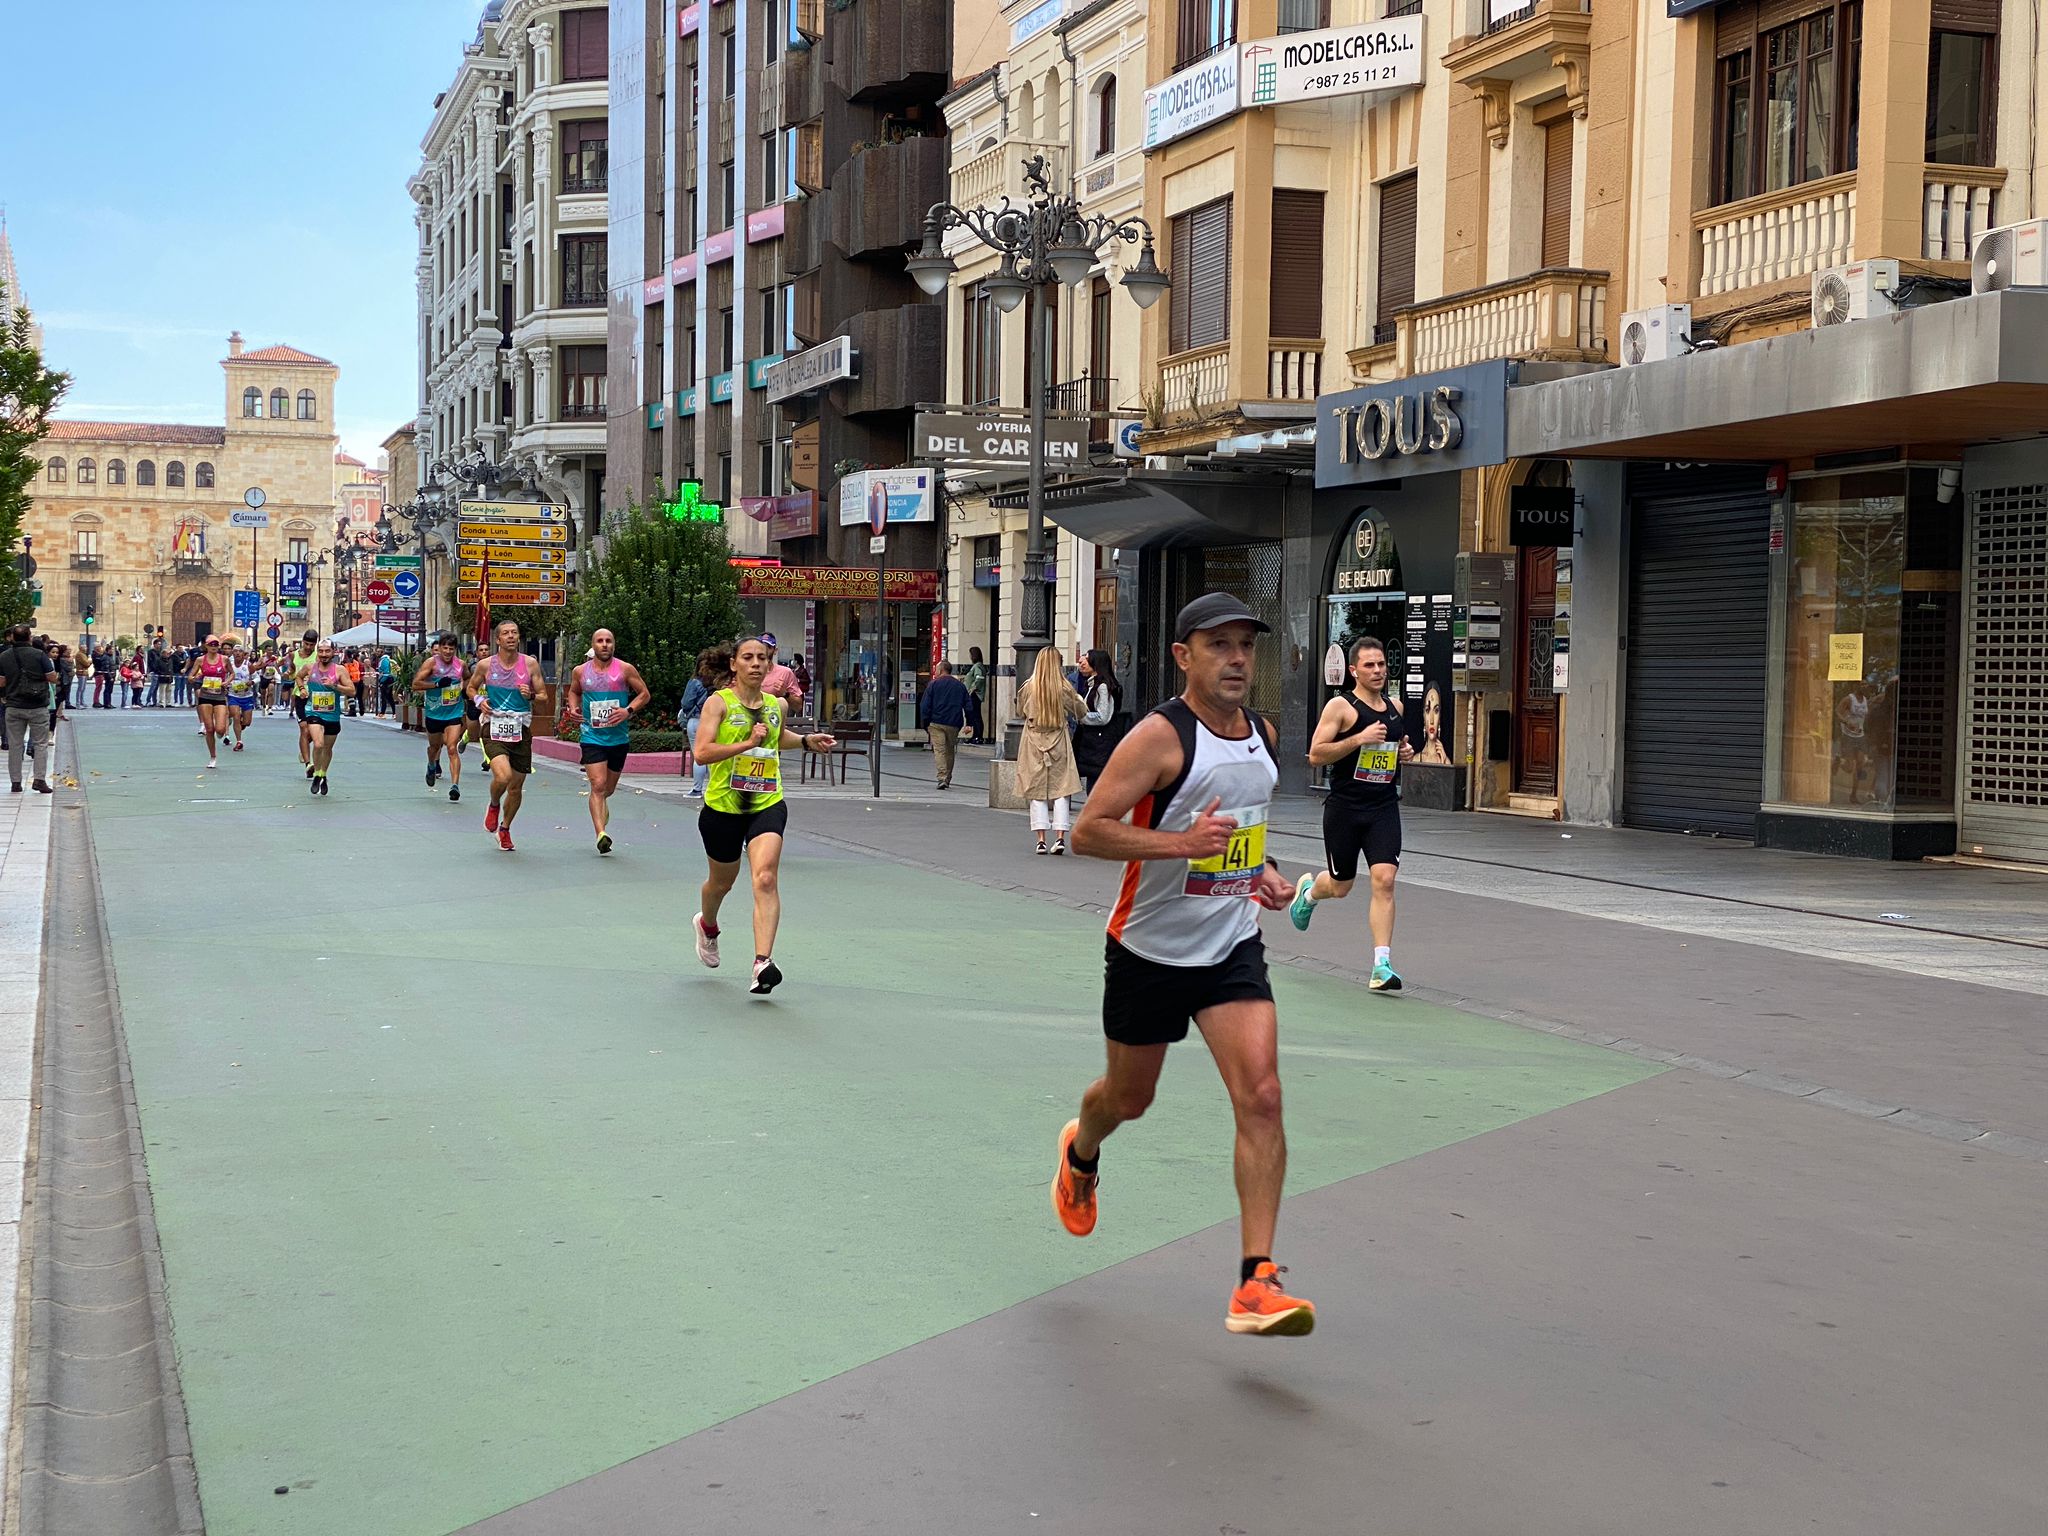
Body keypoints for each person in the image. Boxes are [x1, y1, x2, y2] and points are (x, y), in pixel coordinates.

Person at [1053, 593, 1313, 1337]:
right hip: (1148, 950)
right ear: (1183, 656)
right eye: (1219, 645)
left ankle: (1255, 1281)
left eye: (1245, 646)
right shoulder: (1160, 738)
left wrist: (1255, 871)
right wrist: (1180, 847)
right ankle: (1082, 1148)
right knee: (1128, 1100)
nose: (1236, 659)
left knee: (1262, 1095)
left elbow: (1238, 834)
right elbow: (1090, 834)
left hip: (1229, 946)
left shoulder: (1261, 734)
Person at [690, 636, 836, 994]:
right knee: (721, 884)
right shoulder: (718, 703)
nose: (756, 663)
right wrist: (746, 743)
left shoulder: (776, 705)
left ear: (770, 666)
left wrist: (804, 741)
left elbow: (774, 737)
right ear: (734, 665)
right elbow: (702, 752)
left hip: (767, 801)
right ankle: (707, 924)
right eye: (748, 658)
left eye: (763, 658)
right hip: (723, 806)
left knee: (766, 878)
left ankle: (762, 963)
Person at [1289, 635, 1415, 992]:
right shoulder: (1341, 708)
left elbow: (1393, 747)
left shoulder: (1396, 708)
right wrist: (1358, 739)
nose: (1378, 671)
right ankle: (1311, 893)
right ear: (1354, 670)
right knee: (1341, 886)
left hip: (1383, 807)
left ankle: (1382, 965)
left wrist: (1403, 752)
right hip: (1345, 809)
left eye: (1381, 664)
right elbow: (1316, 754)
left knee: (1384, 880)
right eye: (1369, 665)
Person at [563, 628, 652, 854]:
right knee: (598, 785)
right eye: (600, 641)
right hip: (591, 735)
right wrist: (572, 707)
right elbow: (573, 692)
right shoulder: (581, 671)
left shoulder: (624, 669)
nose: (604, 645)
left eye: (608, 641)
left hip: (618, 738)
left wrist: (627, 711)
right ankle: (601, 834)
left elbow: (644, 694)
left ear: (614, 645)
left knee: (608, 789)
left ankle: (602, 805)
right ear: (593, 646)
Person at [470, 620, 548, 852]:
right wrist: (479, 700)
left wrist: (531, 695)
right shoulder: (486, 665)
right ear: (498, 640)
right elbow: (471, 688)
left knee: (515, 788)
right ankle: (494, 805)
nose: (511, 636)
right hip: (493, 725)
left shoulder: (530, 664)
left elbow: (544, 696)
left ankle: (504, 829)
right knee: (502, 777)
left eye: (514, 633)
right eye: (506, 633)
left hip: (520, 727)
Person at [1016, 648, 1084, 854]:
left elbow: (1021, 711)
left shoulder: (1028, 687)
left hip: (1033, 741)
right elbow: (1081, 711)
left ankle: (1041, 840)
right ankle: (1061, 837)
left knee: (1037, 789)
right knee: (1062, 788)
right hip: (1059, 740)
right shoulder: (1063, 688)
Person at [412, 634, 470, 802]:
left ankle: (455, 786)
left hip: (454, 712)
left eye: (451, 649)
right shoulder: (431, 663)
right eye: (445, 648)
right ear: (440, 648)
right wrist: (436, 684)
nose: (448, 652)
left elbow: (467, 678)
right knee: (434, 747)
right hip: (434, 712)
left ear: (455, 650)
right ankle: (431, 765)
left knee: (452, 747)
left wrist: (464, 690)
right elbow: (416, 684)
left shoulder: (461, 665)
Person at [2, 626, 57, 794]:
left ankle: (16, 783)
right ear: (29, 638)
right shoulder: (39, 655)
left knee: (15, 745)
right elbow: (52, 678)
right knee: (40, 744)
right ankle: (39, 780)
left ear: (12, 638)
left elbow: (1, 682)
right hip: (37, 705)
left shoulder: (3, 656)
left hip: (13, 705)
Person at [301, 639, 352, 794]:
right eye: (321, 651)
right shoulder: (310, 668)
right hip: (313, 712)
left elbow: (352, 690)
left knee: (327, 748)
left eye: (327, 651)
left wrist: (334, 686)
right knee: (318, 744)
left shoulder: (340, 670)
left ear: (333, 652)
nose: (323, 655)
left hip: (332, 714)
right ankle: (317, 774)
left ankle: (323, 774)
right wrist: (302, 688)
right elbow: (298, 676)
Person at [679, 646, 730, 798]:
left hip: (696, 720)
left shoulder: (695, 682)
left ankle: (697, 789)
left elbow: (686, 703)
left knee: (699, 755)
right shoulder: (719, 682)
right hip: (717, 720)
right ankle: (715, 787)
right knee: (715, 754)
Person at [1072, 649, 1125, 791]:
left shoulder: (1102, 687)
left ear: (1096, 663)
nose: (1082, 661)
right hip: (1094, 744)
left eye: (1087, 659)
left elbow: (1103, 716)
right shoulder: (1092, 684)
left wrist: (1081, 717)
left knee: (1095, 783)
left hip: (1099, 744)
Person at [919, 660, 969, 789]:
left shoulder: (933, 685)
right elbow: (968, 706)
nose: (935, 671)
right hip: (953, 723)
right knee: (949, 750)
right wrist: (970, 723)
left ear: (941, 670)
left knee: (940, 750)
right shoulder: (960, 686)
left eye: (936, 669)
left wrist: (925, 723)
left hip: (935, 723)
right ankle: (947, 777)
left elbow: (925, 706)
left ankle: (942, 778)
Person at [185, 636, 234, 768]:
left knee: (220, 729)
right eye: (211, 644)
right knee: (210, 729)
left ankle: (223, 726)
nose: (214, 646)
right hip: (205, 695)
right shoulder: (200, 660)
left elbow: (232, 673)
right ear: (206, 646)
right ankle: (213, 757)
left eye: (216, 644)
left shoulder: (224, 659)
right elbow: (190, 676)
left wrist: (226, 682)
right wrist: (196, 677)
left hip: (219, 696)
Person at [288, 629, 320, 777]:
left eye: (311, 645)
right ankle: (309, 764)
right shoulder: (294, 655)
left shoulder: (319, 656)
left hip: (316, 697)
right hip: (300, 696)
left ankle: (304, 749)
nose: (308, 647)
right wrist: (289, 675)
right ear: (302, 642)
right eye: (306, 644)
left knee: (315, 732)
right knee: (304, 729)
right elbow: (292, 671)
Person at [759, 634, 805, 715]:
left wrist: (785, 694)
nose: (764, 651)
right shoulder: (746, 672)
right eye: (760, 647)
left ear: (775, 650)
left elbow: (798, 706)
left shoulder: (785, 672)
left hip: (777, 723)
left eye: (768, 647)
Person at [224, 641, 259, 751]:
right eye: (235, 651)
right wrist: (226, 684)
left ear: (244, 654)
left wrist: (252, 682)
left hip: (247, 696)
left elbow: (257, 677)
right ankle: (239, 741)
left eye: (240, 651)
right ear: (232, 653)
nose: (238, 653)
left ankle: (241, 726)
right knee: (236, 716)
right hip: (233, 695)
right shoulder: (229, 664)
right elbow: (224, 677)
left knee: (247, 722)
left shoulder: (248, 665)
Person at [963, 646, 989, 744]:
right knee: (975, 715)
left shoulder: (977, 666)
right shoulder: (978, 666)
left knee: (976, 715)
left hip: (975, 695)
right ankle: (975, 735)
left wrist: (972, 689)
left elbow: (979, 679)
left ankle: (978, 736)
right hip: (975, 694)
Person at [91, 644, 116, 709]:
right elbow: (106, 667)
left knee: (109, 690)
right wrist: (110, 676)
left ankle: (108, 703)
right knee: (106, 690)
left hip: (109, 674)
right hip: (104, 674)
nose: (112, 651)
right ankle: (106, 703)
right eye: (111, 649)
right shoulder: (105, 657)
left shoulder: (108, 657)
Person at [376, 650, 396, 716]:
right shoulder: (387, 659)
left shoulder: (384, 660)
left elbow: (386, 672)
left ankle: (382, 713)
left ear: (382, 653)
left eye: (378, 652)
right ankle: (394, 712)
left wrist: (381, 681)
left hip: (386, 680)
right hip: (390, 679)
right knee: (389, 696)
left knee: (384, 696)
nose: (377, 653)